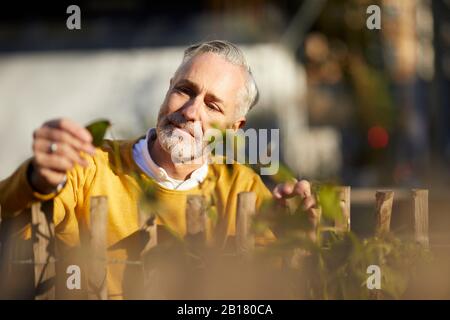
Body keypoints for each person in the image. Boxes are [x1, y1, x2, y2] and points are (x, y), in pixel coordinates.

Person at [0, 40, 317, 299]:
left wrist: (290, 230)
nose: (191, 111)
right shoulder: (91, 164)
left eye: (212, 105)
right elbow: (10, 216)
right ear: (168, 91)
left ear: (234, 129)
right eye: (185, 90)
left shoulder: (241, 188)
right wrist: (38, 179)